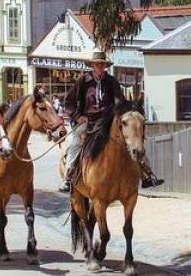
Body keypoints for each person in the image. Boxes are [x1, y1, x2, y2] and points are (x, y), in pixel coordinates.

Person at [59, 51, 163, 193]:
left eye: (102, 64)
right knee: (76, 141)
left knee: (132, 139)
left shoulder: (111, 81)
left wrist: (131, 109)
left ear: (105, 66)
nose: (100, 66)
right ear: (92, 65)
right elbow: (69, 102)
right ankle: (68, 176)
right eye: (97, 64)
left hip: (108, 120)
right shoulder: (83, 81)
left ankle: (147, 174)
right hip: (88, 120)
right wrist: (77, 116)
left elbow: (121, 100)